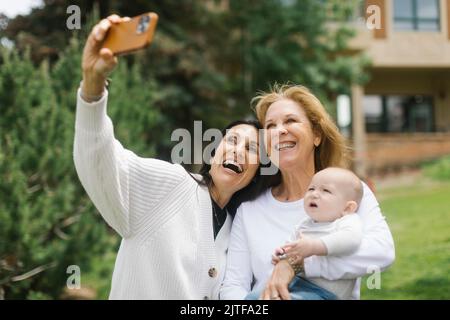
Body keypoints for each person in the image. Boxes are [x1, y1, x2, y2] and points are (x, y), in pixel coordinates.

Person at [74, 15, 267, 299]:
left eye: (252, 149)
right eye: (232, 140)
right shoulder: (172, 185)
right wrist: (93, 87)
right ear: (214, 152)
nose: (238, 150)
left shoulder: (235, 228)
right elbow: (101, 162)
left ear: (257, 171)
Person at [220, 84, 395, 300]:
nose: (279, 130)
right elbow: (234, 285)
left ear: (316, 135)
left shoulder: (348, 193)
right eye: (270, 125)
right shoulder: (249, 211)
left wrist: (300, 264)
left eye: (291, 120)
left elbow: (381, 253)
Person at [245, 167, 364, 300]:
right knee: (254, 297)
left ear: (347, 208)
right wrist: (283, 254)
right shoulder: (305, 224)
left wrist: (314, 246)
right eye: (311, 189)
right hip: (297, 283)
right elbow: (291, 247)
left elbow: (351, 239)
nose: (314, 194)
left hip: (325, 293)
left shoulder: (346, 222)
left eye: (326, 190)